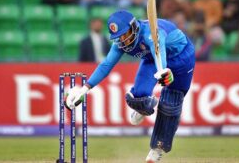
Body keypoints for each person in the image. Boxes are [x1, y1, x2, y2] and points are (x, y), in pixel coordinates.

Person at [64, 10, 195, 162]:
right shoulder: (121, 44)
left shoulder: (151, 34)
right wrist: (84, 89)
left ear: (134, 27)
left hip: (182, 58)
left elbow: (159, 52)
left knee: (170, 105)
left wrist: (163, 70)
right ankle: (142, 108)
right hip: (152, 59)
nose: (123, 41)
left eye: (125, 35)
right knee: (138, 97)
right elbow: (106, 65)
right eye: (119, 37)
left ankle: (156, 149)